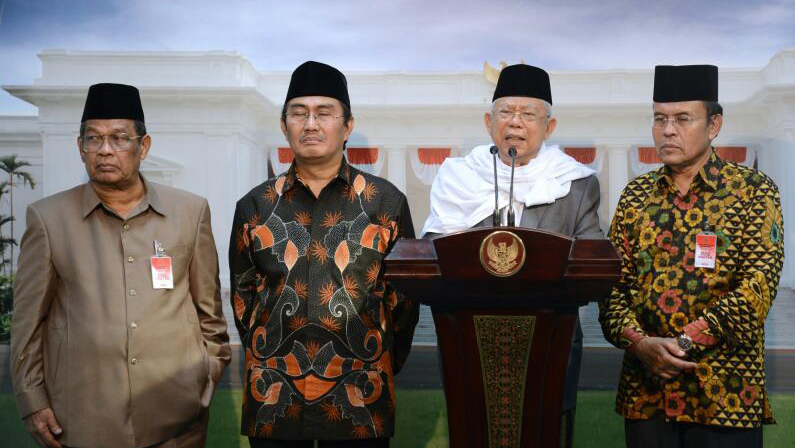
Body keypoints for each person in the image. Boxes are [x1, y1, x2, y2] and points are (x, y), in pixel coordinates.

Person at [11, 83, 231, 448]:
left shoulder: (190, 212)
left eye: (119, 138)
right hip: (82, 420)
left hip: (177, 420)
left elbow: (209, 313)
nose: (105, 150)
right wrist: (32, 401)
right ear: (80, 148)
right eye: (93, 139)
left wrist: (205, 378)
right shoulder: (48, 219)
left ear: (143, 146)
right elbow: (29, 323)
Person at [229, 61, 418, 448]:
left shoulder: (385, 202)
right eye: (299, 113)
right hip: (274, 399)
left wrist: (380, 362)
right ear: (284, 126)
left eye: (324, 113)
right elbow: (242, 294)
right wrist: (269, 354)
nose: (310, 124)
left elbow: (403, 298)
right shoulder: (255, 206)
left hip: (361, 398)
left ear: (347, 126)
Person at [599, 64, 784, 448]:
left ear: (714, 125)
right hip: (647, 393)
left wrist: (683, 343)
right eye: (660, 119)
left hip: (726, 392)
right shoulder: (636, 196)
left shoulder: (752, 190)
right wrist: (638, 342)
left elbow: (757, 288)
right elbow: (612, 287)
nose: (668, 130)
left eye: (683, 119)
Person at [421, 63, 603, 447]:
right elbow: (435, 253)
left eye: (529, 114)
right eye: (506, 112)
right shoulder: (457, 177)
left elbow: (592, 262)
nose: (516, 123)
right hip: (468, 345)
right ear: (489, 121)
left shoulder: (577, 183)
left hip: (551, 343)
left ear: (549, 127)